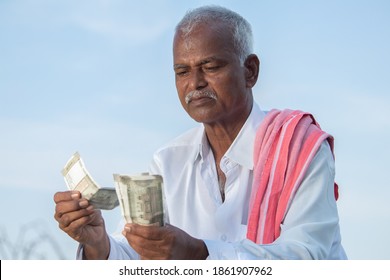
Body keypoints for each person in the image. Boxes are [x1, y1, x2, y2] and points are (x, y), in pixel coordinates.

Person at [54, 5, 347, 260]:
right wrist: (97, 244)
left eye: (210, 66)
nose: (195, 83)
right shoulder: (168, 162)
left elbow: (307, 256)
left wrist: (199, 254)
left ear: (250, 72)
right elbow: (137, 257)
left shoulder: (299, 148)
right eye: (182, 72)